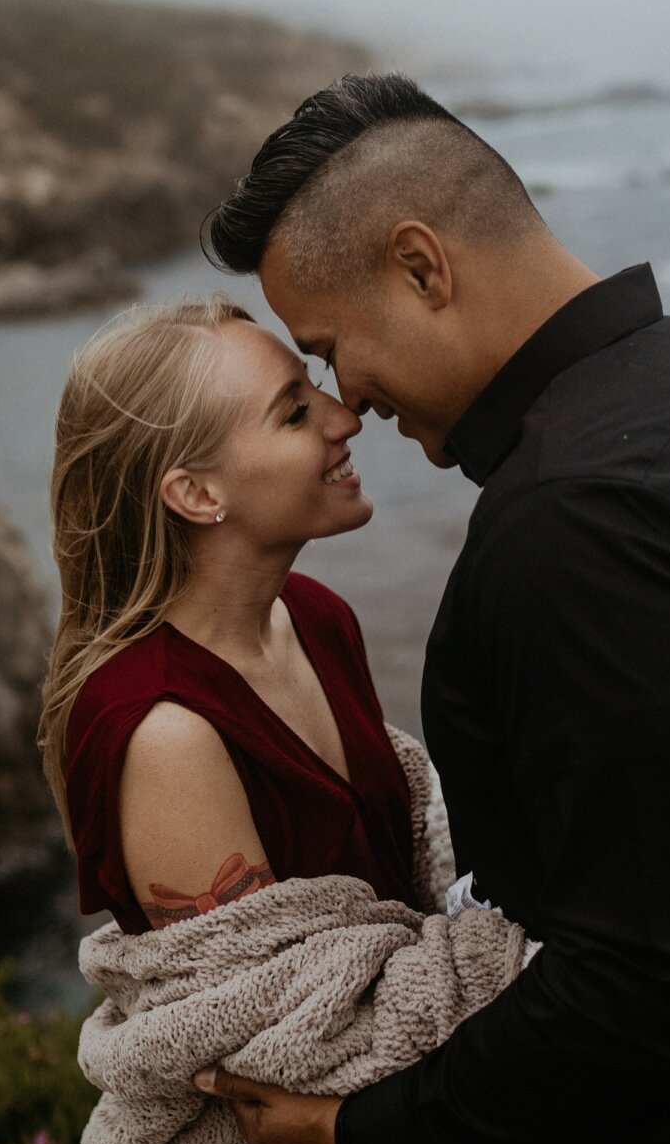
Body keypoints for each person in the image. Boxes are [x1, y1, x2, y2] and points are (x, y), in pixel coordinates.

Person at [190, 72, 670, 1144]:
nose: (350, 398)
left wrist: (363, 1132)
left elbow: (650, 974)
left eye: (329, 345)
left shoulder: (579, 519)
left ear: (422, 267)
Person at [40, 295, 422, 949]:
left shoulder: (316, 614)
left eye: (315, 386)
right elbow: (255, 1014)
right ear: (197, 493)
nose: (345, 419)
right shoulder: (165, 732)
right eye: (295, 412)